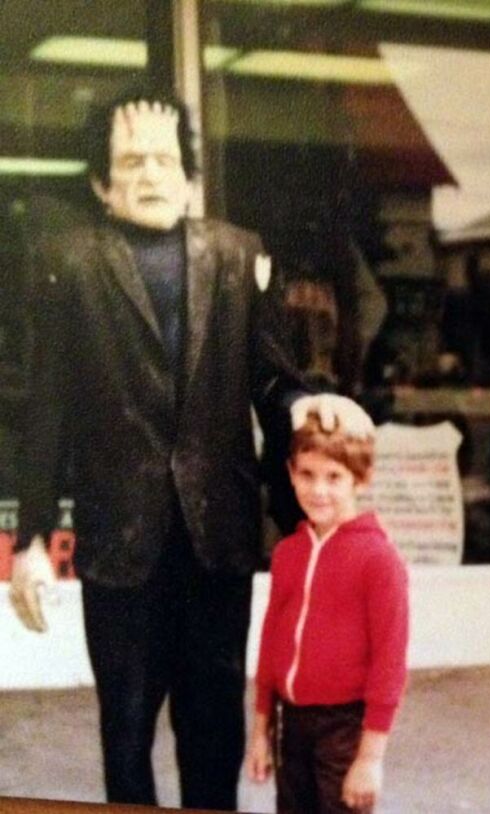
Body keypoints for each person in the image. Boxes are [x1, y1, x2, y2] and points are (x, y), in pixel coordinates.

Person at [7, 87, 370, 811]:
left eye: (166, 158)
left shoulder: (238, 255)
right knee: (127, 730)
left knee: (215, 733)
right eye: (131, 160)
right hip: (121, 539)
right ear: (100, 182)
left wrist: (306, 404)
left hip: (218, 536)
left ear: (190, 172)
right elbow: (45, 408)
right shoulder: (69, 263)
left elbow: (272, 376)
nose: (151, 173)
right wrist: (34, 538)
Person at [245, 399, 409, 814]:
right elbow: (270, 645)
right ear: (290, 473)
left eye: (334, 477)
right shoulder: (288, 553)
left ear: (362, 478)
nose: (318, 490)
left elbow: (389, 663)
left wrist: (370, 758)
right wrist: (260, 731)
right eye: (307, 474)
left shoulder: (379, 559)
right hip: (291, 723)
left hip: (344, 727)